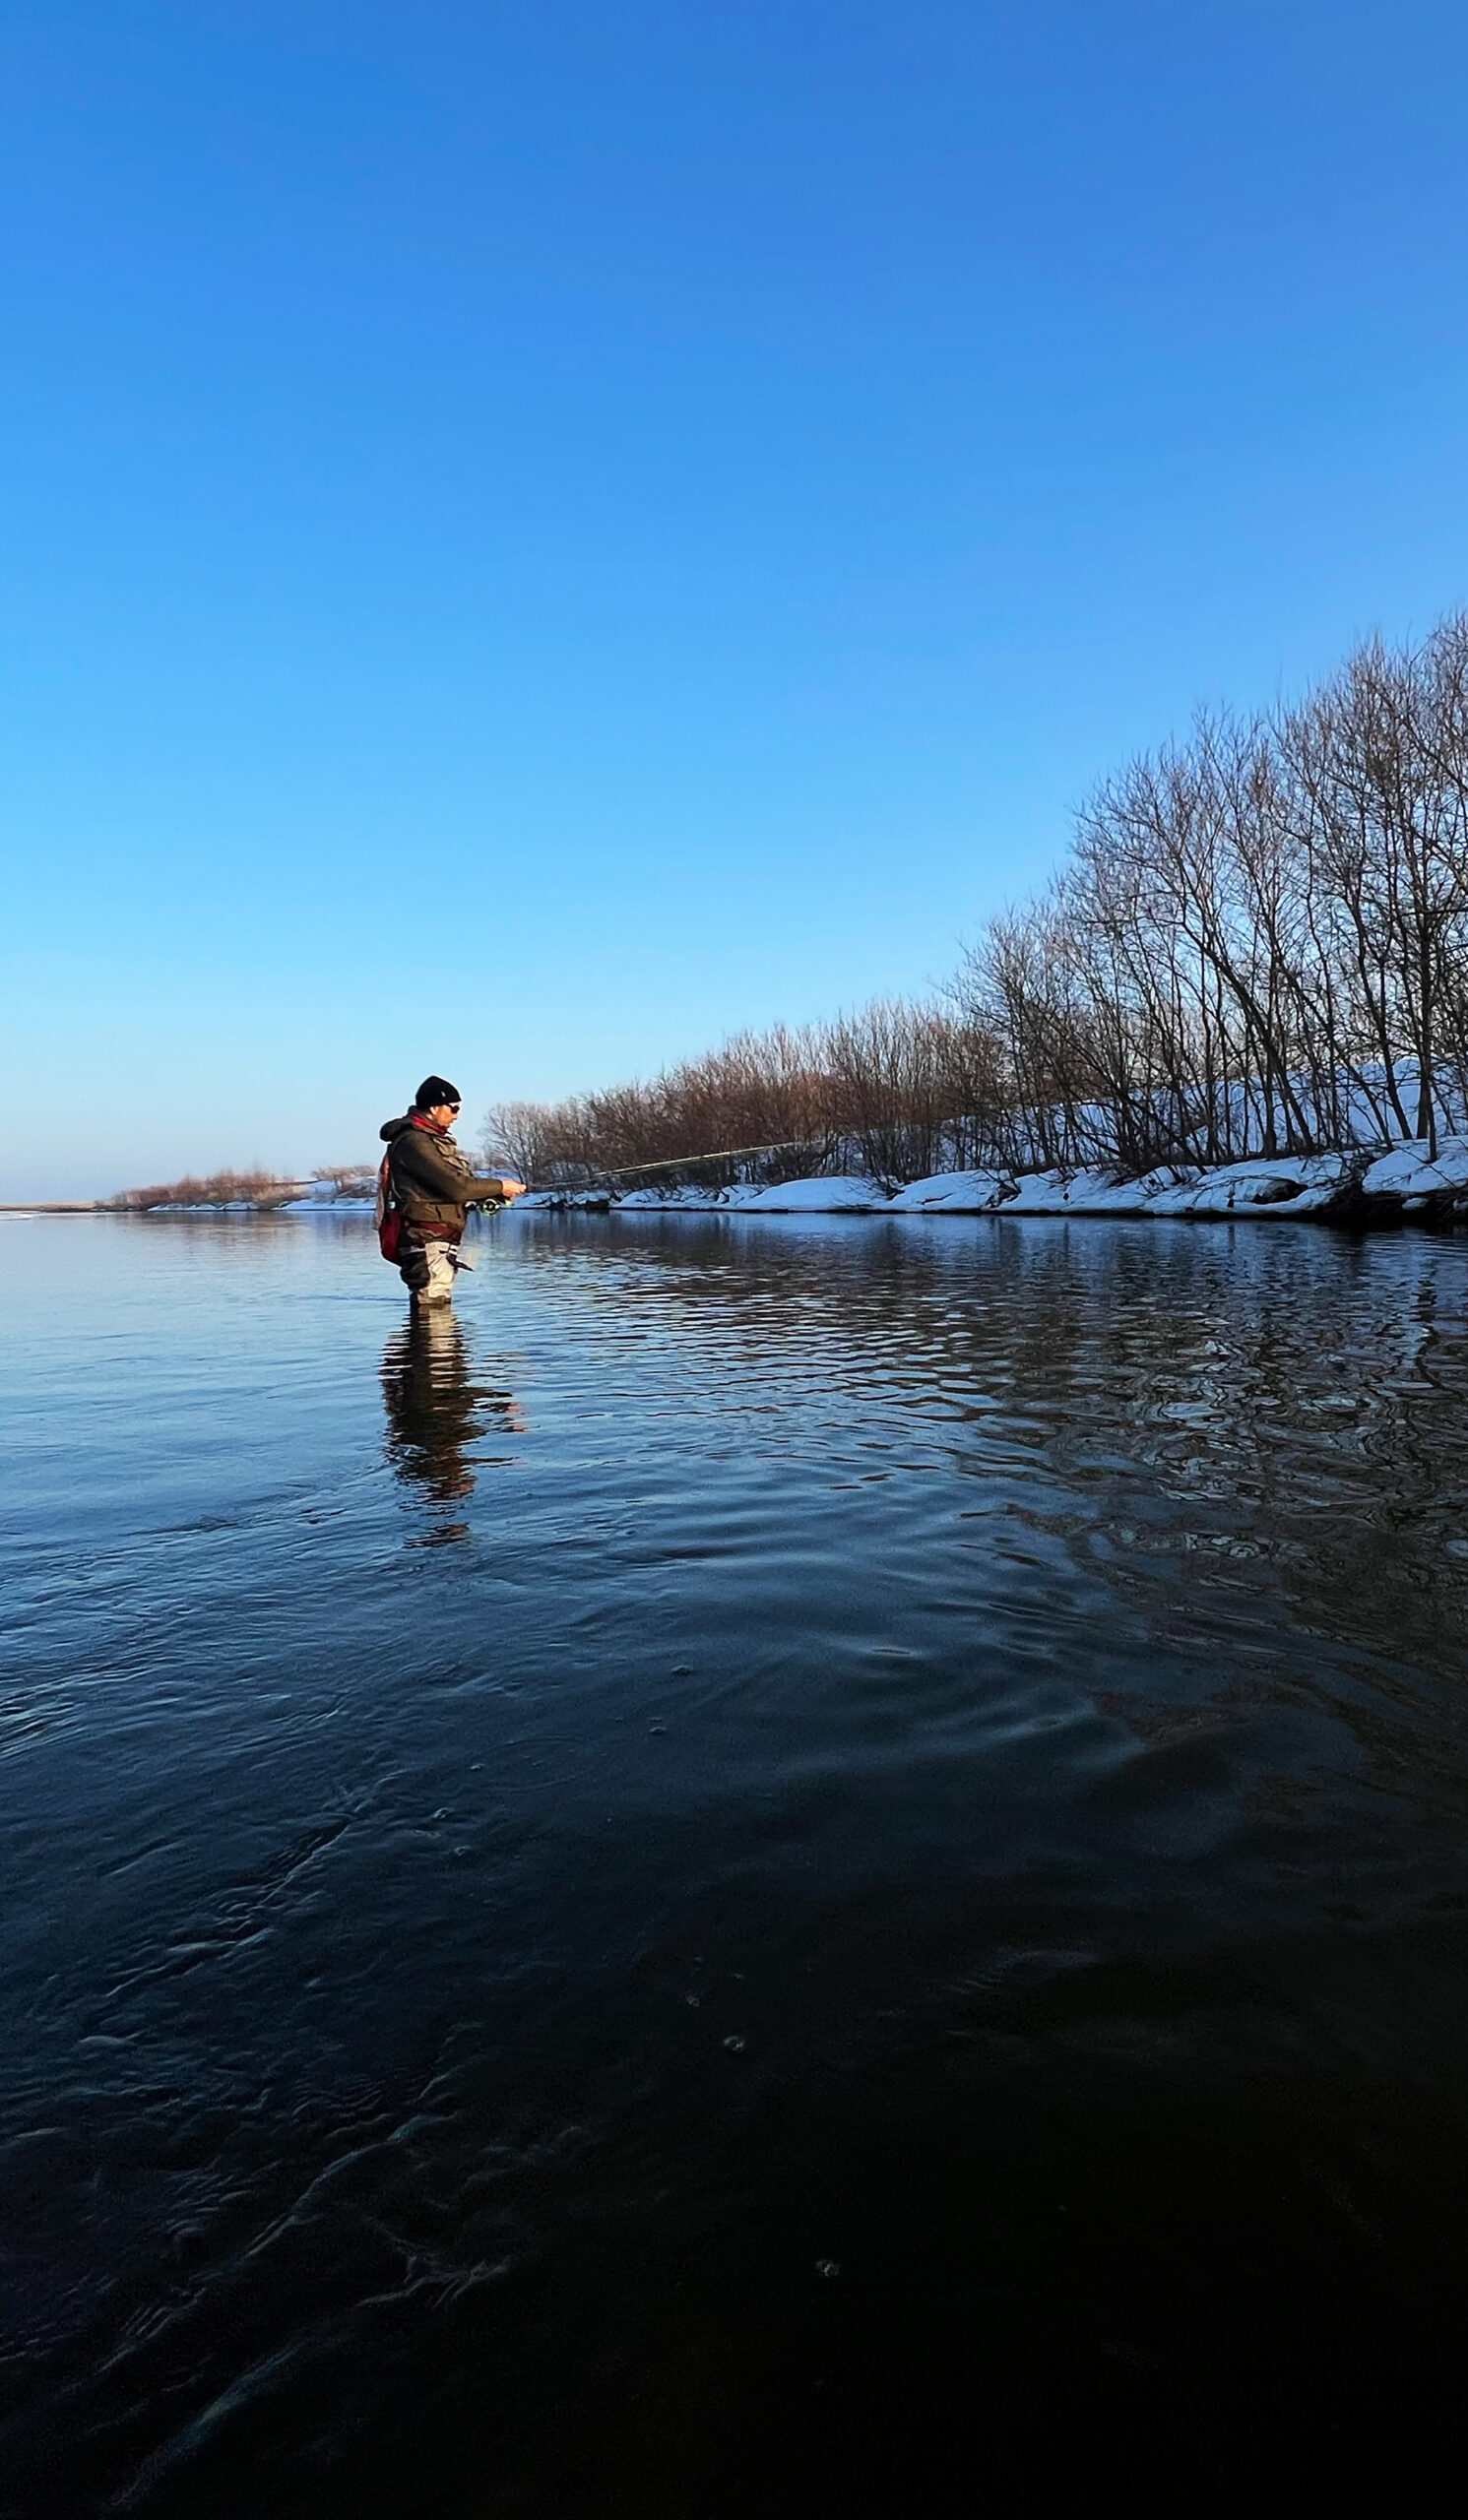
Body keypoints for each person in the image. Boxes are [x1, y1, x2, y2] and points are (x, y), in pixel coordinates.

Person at [379, 1075, 525, 1304]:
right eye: (454, 1108)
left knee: (438, 1315)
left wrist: (495, 1193)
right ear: (434, 1108)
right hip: (427, 1239)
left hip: (439, 1239)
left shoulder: (431, 1140)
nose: (457, 1116)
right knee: (432, 1310)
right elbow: (456, 1187)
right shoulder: (414, 1142)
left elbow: (453, 1185)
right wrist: (501, 1186)